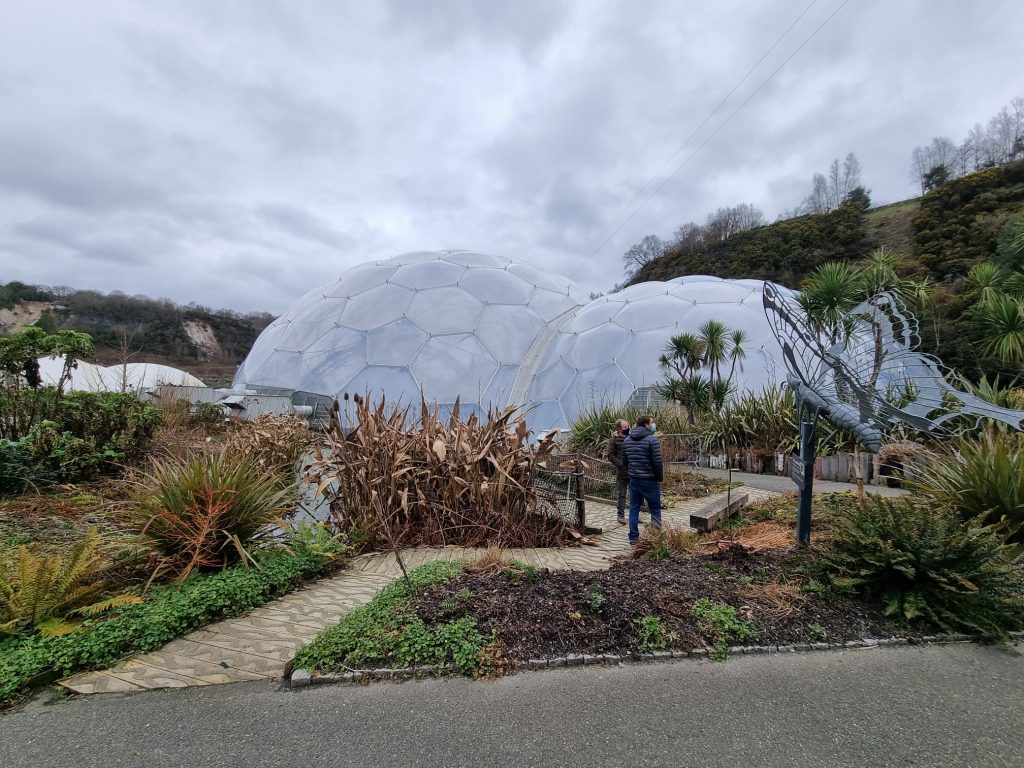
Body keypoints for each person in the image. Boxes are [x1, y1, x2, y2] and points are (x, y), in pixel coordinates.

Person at [622, 414, 663, 545]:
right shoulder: (652, 440)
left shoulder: (627, 440)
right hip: (650, 480)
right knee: (655, 508)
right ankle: (656, 537)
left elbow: (625, 461)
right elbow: (657, 462)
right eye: (652, 422)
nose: (654, 424)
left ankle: (633, 538)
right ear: (646, 425)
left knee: (634, 508)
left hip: (635, 480)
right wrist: (660, 477)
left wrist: (631, 473)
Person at [605, 418, 631, 525]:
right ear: (619, 429)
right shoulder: (614, 440)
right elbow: (610, 455)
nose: (627, 428)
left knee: (635, 494)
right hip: (622, 472)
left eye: (628, 426)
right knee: (622, 494)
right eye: (625, 427)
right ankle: (620, 516)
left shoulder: (632, 437)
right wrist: (620, 464)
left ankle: (634, 515)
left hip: (633, 471)